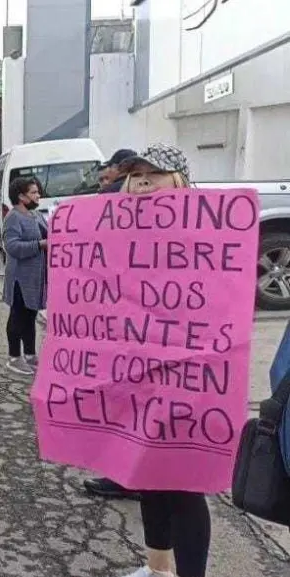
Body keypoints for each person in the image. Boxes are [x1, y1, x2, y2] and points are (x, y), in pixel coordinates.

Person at [111, 145, 210, 577]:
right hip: (137, 375)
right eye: (135, 175)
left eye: (155, 172)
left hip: (189, 378)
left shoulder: (209, 231)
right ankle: (158, 569)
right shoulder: (117, 235)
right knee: (147, 476)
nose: (143, 181)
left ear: (181, 181)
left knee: (184, 484)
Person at [2, 177, 47, 376]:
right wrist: (39, 245)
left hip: (36, 277)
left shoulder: (36, 215)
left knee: (30, 315)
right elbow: (11, 246)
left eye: (38, 192)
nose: (38, 196)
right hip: (20, 277)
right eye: (34, 193)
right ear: (21, 196)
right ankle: (14, 356)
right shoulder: (13, 217)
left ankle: (30, 354)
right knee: (18, 315)